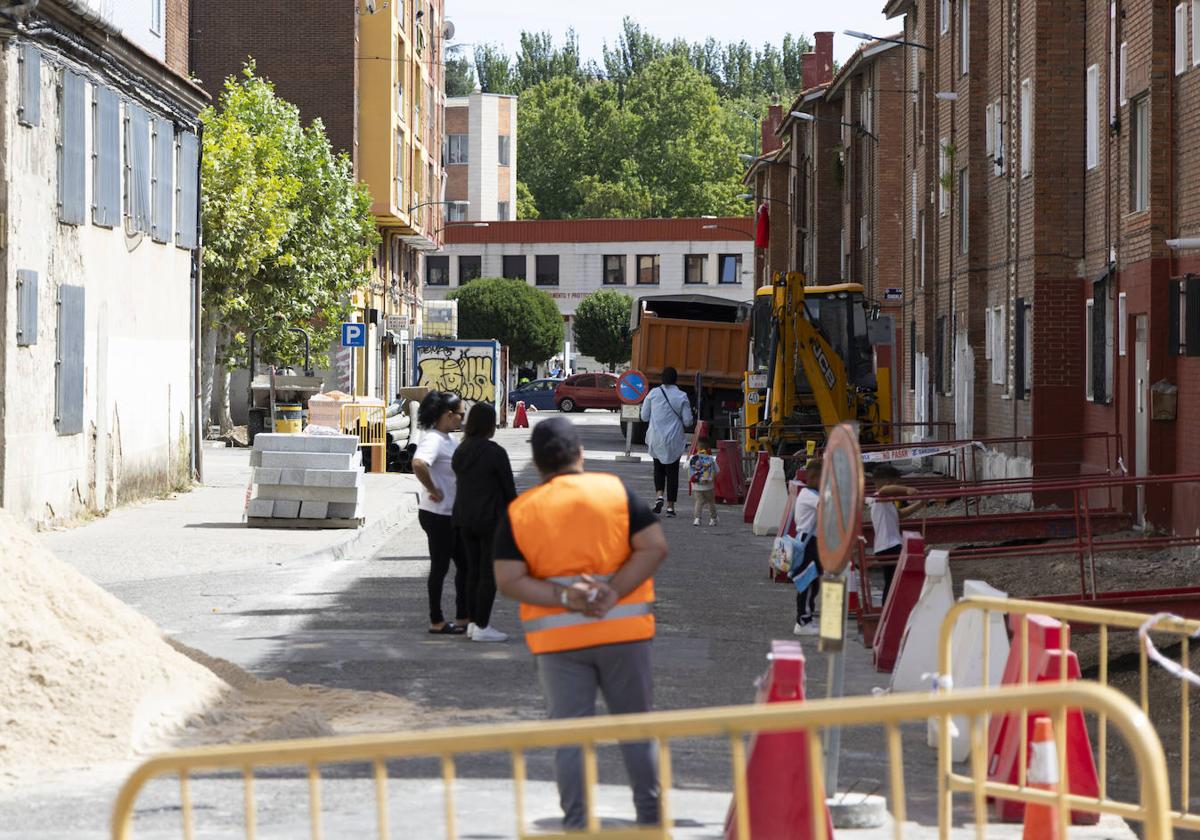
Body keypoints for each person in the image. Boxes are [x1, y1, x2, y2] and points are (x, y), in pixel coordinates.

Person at [493, 417, 669, 830]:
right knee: (636, 727)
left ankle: (576, 826)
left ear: (538, 464)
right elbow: (654, 548)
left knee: (571, 739)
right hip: (624, 635)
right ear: (580, 454)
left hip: (558, 642)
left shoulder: (522, 511)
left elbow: (508, 580)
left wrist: (564, 597)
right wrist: (612, 591)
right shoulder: (615, 492)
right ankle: (651, 821)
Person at [452, 403, 518, 643]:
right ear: (490, 425)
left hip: (463, 519)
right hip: (490, 520)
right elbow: (509, 490)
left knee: (471, 572)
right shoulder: (495, 453)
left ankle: (472, 622)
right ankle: (482, 625)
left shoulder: (461, 450)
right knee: (488, 574)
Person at [412, 391, 469, 635]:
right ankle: (436, 620)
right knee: (440, 567)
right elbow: (418, 463)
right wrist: (433, 488)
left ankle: (463, 617)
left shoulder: (447, 438)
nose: (462, 419)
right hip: (437, 514)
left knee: (465, 566)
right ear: (448, 415)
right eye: (460, 414)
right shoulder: (433, 439)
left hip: (450, 514)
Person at [868, 464, 926, 606]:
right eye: (898, 484)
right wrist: (907, 490)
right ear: (889, 483)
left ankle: (891, 606)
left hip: (889, 545)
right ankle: (890, 607)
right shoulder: (880, 497)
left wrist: (919, 505)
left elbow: (899, 515)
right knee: (893, 581)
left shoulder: (887, 502)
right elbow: (885, 490)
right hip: (889, 546)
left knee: (893, 580)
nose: (899, 487)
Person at [639, 366, 693, 517]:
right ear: (676, 379)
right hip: (673, 440)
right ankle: (670, 507)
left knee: (658, 469)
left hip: (656, 438)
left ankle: (659, 497)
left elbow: (644, 416)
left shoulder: (653, 394)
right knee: (672, 473)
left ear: (662, 378)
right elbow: (688, 421)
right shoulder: (682, 396)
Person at [790, 458, 823, 635]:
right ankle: (803, 621)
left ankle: (806, 618)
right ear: (816, 477)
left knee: (813, 581)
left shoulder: (809, 493)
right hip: (808, 543)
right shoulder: (811, 495)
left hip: (811, 541)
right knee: (808, 582)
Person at [687, 436, 719, 526]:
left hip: (697, 486)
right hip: (709, 486)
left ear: (697, 447)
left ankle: (697, 519)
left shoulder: (694, 458)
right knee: (711, 502)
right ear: (708, 448)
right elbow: (717, 470)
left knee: (698, 502)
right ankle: (713, 519)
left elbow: (685, 466)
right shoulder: (711, 459)